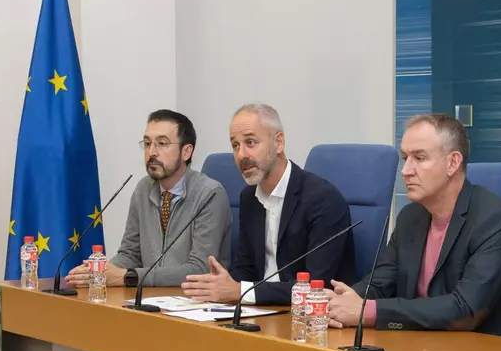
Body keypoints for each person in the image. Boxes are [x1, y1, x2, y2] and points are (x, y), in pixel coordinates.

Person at [326, 113, 501, 336]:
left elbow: (465, 310)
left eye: (420, 158)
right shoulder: (410, 217)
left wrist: (366, 311)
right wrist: (346, 300)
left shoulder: (497, 219)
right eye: (405, 158)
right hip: (422, 345)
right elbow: (380, 283)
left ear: (453, 162)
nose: (406, 170)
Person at [181, 103, 356, 305]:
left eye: (251, 142)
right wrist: (219, 284)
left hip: (309, 319)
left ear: (279, 142)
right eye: (235, 145)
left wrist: (240, 291)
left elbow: (318, 286)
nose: (241, 155)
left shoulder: (323, 200)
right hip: (258, 310)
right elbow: (246, 269)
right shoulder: (249, 198)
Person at [65, 109, 231, 289]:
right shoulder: (143, 189)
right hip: (150, 298)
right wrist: (101, 272)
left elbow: (201, 269)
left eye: (162, 143)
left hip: (195, 303)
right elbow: (130, 254)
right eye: (147, 143)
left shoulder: (209, 194)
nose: (152, 152)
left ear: (186, 152)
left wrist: (129, 277)